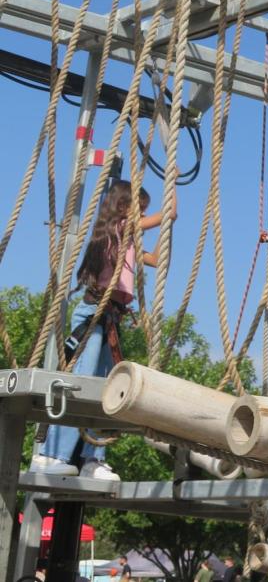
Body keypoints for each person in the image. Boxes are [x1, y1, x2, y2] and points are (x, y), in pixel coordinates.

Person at [30, 180, 172, 480]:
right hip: (94, 315)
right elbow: (141, 223)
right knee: (80, 382)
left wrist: (168, 228)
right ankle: (51, 455)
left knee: (108, 388)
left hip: (111, 319)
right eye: (139, 209)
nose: (142, 215)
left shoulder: (129, 241)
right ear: (123, 208)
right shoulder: (115, 231)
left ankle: (93, 458)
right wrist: (166, 213)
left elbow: (157, 261)